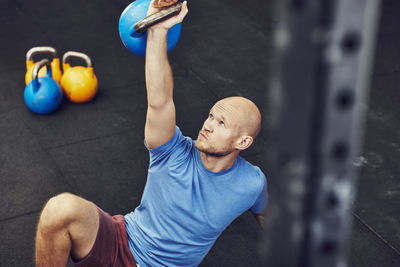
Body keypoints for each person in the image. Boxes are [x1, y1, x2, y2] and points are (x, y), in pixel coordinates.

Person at [34, 1, 268, 266]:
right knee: (59, 209)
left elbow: (268, 216)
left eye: (221, 122)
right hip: (123, 241)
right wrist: (158, 30)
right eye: (211, 115)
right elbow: (160, 100)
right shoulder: (171, 150)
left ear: (243, 141)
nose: (208, 124)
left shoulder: (252, 183)